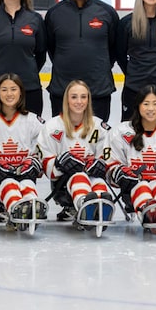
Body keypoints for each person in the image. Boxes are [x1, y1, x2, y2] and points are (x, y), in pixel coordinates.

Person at [0, 73, 48, 229]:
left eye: (13, 89)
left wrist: (34, 163)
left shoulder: (33, 121)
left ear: (21, 92)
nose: (9, 94)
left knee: (26, 184)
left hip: (25, 176)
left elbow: (44, 150)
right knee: (8, 183)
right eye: (4, 89)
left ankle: (30, 206)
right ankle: (16, 210)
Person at [45, 0, 119, 121]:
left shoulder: (107, 12)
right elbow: (51, 48)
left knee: (96, 142)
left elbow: (113, 49)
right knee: (62, 142)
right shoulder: (54, 14)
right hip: (62, 91)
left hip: (98, 91)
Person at [107, 85, 156, 234]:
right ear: (138, 106)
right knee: (142, 185)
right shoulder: (122, 131)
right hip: (132, 190)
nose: (151, 108)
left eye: (155, 103)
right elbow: (112, 165)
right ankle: (150, 213)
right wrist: (121, 173)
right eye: (146, 103)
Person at [38, 80, 115, 232]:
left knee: (98, 179)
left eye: (83, 97)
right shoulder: (52, 127)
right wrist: (59, 164)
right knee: (78, 176)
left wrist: (101, 164)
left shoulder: (99, 126)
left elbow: (108, 156)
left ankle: (100, 206)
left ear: (88, 100)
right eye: (74, 97)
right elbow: (46, 163)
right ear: (67, 99)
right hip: (63, 185)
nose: (79, 101)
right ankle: (84, 208)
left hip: (92, 179)